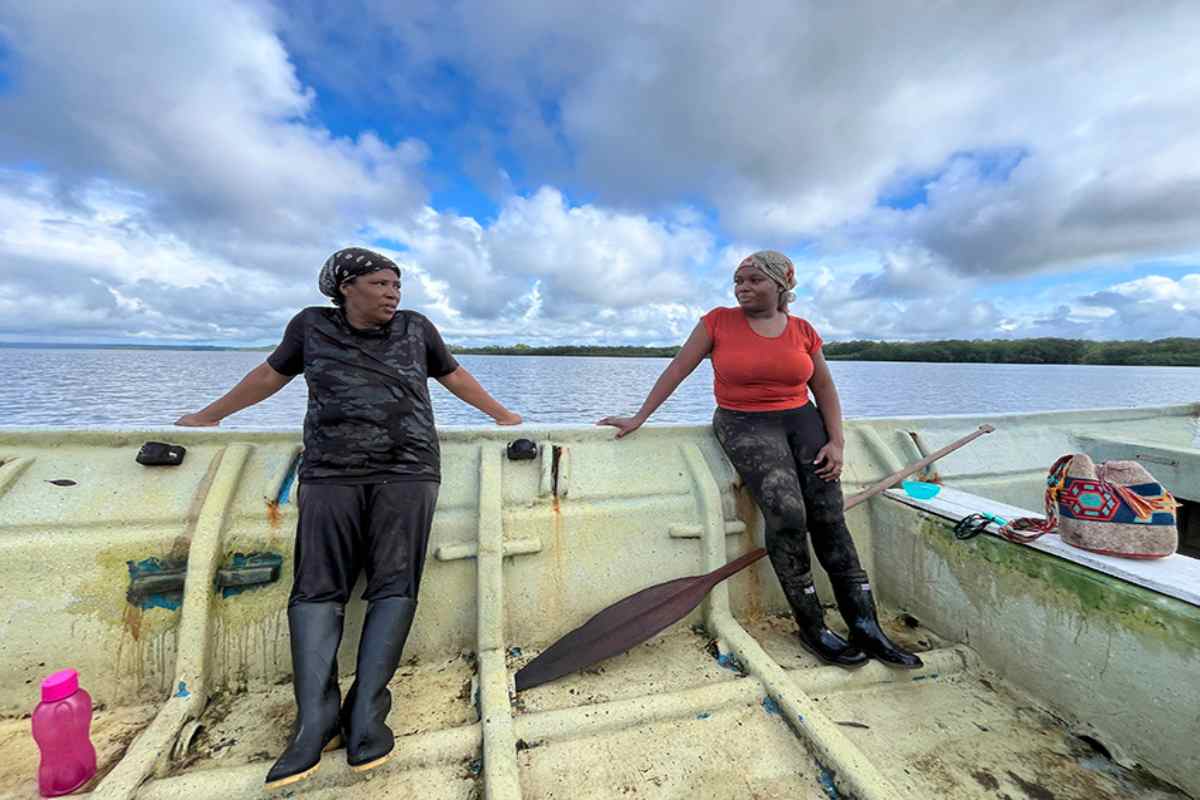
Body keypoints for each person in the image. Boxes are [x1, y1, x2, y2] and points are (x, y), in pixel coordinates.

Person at [176, 247, 521, 789]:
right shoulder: (311, 326)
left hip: (408, 470)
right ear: (346, 287)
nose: (393, 294)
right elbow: (268, 377)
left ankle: (367, 711)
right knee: (317, 589)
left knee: (394, 585)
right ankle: (314, 721)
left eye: (397, 285)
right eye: (381, 284)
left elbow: (454, 377)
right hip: (330, 472)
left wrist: (503, 415)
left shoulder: (416, 328)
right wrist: (207, 416)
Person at [598, 250, 921, 670]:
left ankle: (866, 624)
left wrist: (837, 442)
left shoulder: (803, 330)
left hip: (802, 420)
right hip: (743, 422)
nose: (742, 288)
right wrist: (640, 416)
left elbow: (824, 388)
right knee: (788, 513)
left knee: (828, 515)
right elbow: (677, 369)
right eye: (738, 280)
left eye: (754, 280)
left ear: (781, 285)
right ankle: (812, 626)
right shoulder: (717, 322)